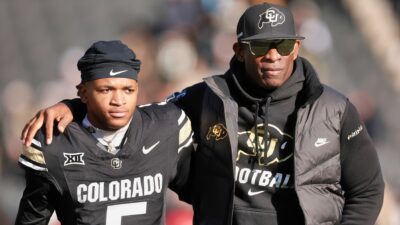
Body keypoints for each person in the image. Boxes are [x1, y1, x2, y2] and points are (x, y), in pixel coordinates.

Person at [21, 3, 385, 225]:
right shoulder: (207, 97)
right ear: (239, 50)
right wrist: (75, 105)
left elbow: (367, 189)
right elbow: (130, 112)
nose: (273, 55)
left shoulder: (334, 108)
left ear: (296, 48)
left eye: (283, 45)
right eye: (260, 46)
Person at [16, 40, 194, 225]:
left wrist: (73, 106)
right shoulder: (55, 142)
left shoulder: (166, 126)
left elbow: (206, 194)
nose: (118, 100)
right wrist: (73, 106)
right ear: (83, 93)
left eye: (128, 90)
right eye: (106, 90)